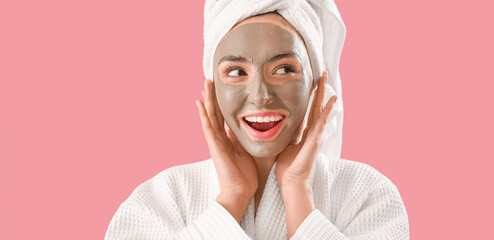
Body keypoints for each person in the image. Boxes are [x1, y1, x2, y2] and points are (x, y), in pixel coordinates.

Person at [105, 0, 409, 239]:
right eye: (236, 72)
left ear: (316, 85)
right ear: (213, 86)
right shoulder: (162, 199)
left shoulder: (366, 194)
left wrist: (298, 194)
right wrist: (232, 200)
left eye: (285, 70)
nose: (260, 95)